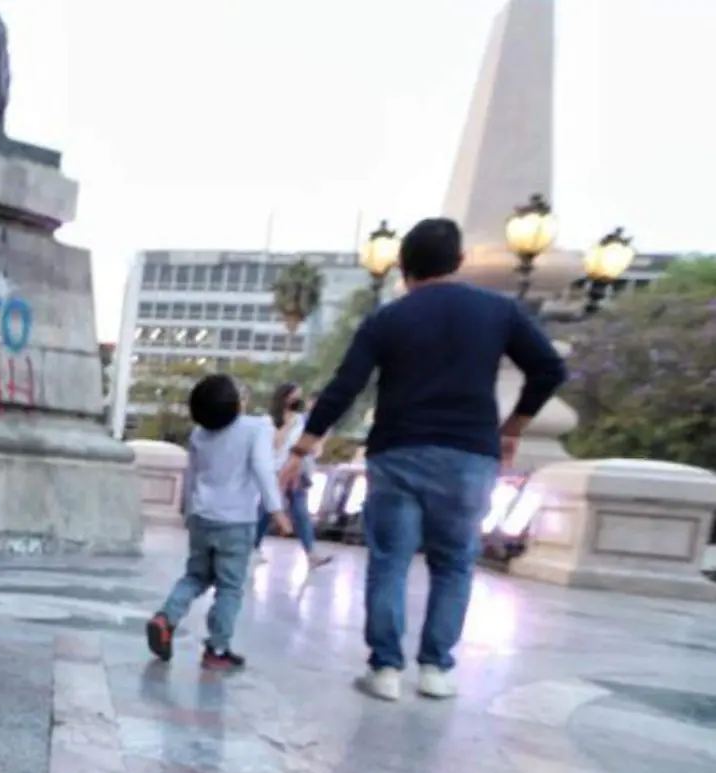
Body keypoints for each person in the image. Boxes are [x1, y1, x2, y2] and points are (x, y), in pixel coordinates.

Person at [280, 218, 566, 701]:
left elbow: (344, 387)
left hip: (399, 451)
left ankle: (386, 669)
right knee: (454, 563)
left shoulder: (389, 319)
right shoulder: (499, 311)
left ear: (403, 265)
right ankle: (436, 668)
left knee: (390, 561)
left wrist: (302, 449)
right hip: (470, 454)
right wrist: (513, 426)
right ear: (458, 262)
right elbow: (550, 369)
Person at [147, 374, 291, 671]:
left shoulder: (200, 434)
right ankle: (217, 648)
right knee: (229, 587)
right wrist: (276, 509)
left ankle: (166, 618)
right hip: (236, 521)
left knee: (195, 576)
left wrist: (187, 513)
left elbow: (192, 476)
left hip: (202, 517)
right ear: (235, 403)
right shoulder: (256, 428)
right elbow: (263, 469)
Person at [254, 382, 333, 569]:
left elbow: (310, 444)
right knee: (267, 511)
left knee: (300, 511)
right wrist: (287, 425)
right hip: (274, 470)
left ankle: (311, 553)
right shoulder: (268, 420)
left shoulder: (301, 420)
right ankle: (252, 547)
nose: (298, 400)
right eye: (295, 396)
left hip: (295, 472)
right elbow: (275, 443)